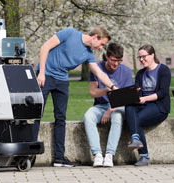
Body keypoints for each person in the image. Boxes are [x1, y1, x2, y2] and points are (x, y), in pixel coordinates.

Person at [33, 26, 116, 167]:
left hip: (62, 81)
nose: (101, 48)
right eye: (102, 44)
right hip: (45, 76)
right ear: (95, 37)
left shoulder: (88, 54)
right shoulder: (69, 33)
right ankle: (30, 154)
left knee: (61, 118)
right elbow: (45, 47)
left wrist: (113, 87)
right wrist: (41, 73)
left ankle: (59, 158)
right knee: (36, 114)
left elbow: (99, 73)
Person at [83, 43, 134, 167]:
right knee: (88, 116)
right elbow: (93, 93)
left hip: (118, 107)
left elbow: (127, 98)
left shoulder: (126, 71)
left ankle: (110, 154)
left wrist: (110, 110)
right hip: (101, 106)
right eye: (113, 60)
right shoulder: (97, 68)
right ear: (107, 56)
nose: (116, 64)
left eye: (119, 61)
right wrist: (106, 89)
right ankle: (98, 155)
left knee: (117, 116)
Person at [125, 44, 171, 166]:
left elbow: (163, 93)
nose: (141, 60)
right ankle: (135, 139)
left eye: (144, 56)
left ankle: (144, 156)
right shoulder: (140, 73)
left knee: (136, 120)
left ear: (152, 55)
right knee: (129, 106)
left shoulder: (163, 70)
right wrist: (134, 94)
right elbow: (138, 92)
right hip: (144, 104)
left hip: (159, 106)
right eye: (139, 57)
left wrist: (144, 98)